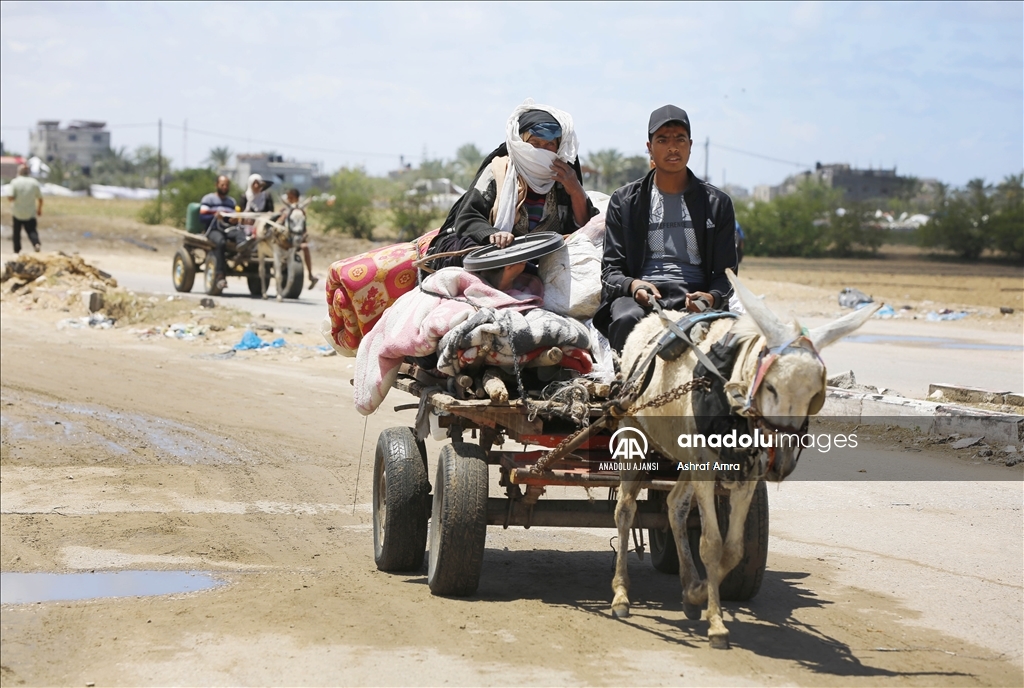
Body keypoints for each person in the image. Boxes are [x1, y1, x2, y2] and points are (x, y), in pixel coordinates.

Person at [594, 105, 738, 352]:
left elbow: (726, 275)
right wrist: (634, 285)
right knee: (626, 320)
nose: (673, 147)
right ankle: (623, 385)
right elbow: (611, 270)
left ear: (690, 145)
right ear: (649, 148)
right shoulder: (625, 201)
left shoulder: (717, 203)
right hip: (640, 297)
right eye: (662, 139)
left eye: (680, 139)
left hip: (695, 295)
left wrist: (711, 297)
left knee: (729, 345)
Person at [425, 101, 598, 270]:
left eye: (549, 145)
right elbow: (468, 217)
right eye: (534, 144)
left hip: (541, 254)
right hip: (495, 247)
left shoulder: (563, 179)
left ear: (559, 148)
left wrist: (575, 189)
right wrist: (492, 234)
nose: (541, 151)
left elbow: (584, 227)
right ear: (520, 143)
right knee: (475, 254)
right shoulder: (499, 171)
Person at [200, 175, 241, 291]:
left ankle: (241, 254)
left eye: (226, 185)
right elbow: (202, 217)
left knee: (241, 235)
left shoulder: (231, 201)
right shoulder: (208, 199)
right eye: (222, 185)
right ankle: (220, 275)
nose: (224, 187)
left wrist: (233, 220)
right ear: (217, 185)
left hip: (227, 229)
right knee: (221, 243)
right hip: (213, 230)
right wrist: (214, 216)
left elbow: (231, 219)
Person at [279, 187, 319, 289]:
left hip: (297, 239)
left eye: (291, 197)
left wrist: (304, 235)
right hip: (285, 240)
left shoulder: (301, 211)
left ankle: (310, 274)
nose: (289, 199)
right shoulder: (285, 209)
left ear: (296, 198)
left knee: (305, 247)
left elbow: (303, 227)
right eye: (288, 197)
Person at [7, 164, 43, 253]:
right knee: (32, 231)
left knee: (16, 233)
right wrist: (39, 209)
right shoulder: (34, 182)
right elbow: (40, 198)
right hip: (30, 212)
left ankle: (16, 250)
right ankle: (36, 244)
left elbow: (10, 197)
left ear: (19, 172)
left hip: (17, 212)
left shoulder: (15, 182)